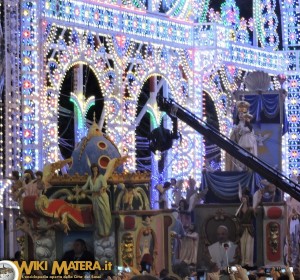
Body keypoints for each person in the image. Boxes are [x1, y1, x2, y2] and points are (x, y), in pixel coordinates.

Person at [79, 157, 127, 237]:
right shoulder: (90, 178)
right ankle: (101, 232)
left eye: (96, 168)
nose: (95, 170)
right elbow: (85, 186)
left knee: (104, 214)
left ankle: (107, 232)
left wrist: (101, 189)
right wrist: (80, 189)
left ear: (97, 169)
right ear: (92, 169)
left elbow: (104, 186)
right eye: (93, 168)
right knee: (97, 215)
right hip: (95, 198)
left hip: (102, 198)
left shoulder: (101, 177)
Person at [236, 186, 256, 268]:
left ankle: (248, 262)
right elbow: (236, 217)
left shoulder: (250, 209)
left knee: (249, 246)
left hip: (249, 229)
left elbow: (254, 217)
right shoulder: (240, 209)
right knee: (242, 245)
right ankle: (243, 262)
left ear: (247, 199)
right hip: (242, 229)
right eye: (242, 199)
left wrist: (255, 210)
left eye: (244, 198)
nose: (243, 200)